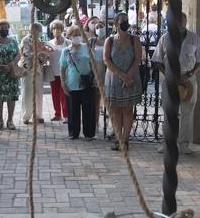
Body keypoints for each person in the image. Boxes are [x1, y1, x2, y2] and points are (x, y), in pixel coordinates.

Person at [152, 12, 200, 155]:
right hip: (170, 80)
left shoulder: (194, 39)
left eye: (181, 21)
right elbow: (157, 60)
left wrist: (190, 74)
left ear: (186, 22)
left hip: (188, 80)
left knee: (187, 112)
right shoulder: (165, 38)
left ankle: (184, 144)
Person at [103, 12, 141, 150]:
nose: (125, 23)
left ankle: (125, 140)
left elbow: (138, 58)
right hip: (114, 78)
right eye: (122, 21)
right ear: (115, 24)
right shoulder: (110, 40)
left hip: (130, 79)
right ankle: (118, 138)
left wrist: (128, 75)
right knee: (115, 110)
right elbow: (106, 59)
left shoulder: (134, 40)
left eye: (126, 21)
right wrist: (121, 75)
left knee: (127, 109)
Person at [60, 26, 97, 139]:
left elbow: (94, 65)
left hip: (87, 84)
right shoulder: (65, 51)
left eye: (78, 34)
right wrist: (63, 83)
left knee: (89, 110)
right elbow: (62, 68)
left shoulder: (87, 48)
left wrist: (96, 78)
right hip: (72, 85)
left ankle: (89, 133)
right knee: (72, 111)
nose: (76, 37)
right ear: (69, 36)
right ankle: (73, 133)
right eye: (74, 35)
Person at [20, 22, 52, 124]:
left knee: (39, 93)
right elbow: (26, 54)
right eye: (39, 31)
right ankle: (26, 116)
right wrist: (40, 53)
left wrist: (45, 56)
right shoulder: (26, 40)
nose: (40, 33)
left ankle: (38, 115)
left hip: (38, 69)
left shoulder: (39, 40)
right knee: (28, 93)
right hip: (28, 69)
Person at [0, 19, 20, 130]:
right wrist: (0, 66)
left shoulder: (13, 41)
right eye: (2, 28)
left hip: (11, 73)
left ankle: (10, 120)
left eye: (6, 28)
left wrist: (11, 64)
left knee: (11, 97)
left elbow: (18, 54)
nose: (4, 30)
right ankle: (0, 120)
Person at [48, 20, 69, 122]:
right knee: (54, 94)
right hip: (52, 72)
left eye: (58, 28)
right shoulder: (49, 43)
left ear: (62, 29)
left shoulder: (67, 42)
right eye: (54, 29)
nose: (56, 30)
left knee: (63, 94)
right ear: (52, 30)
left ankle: (66, 115)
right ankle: (57, 114)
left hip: (64, 73)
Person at [89, 20, 107, 129]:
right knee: (96, 98)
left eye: (101, 26)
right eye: (97, 27)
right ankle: (95, 123)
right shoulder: (92, 41)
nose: (99, 29)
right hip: (95, 71)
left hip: (107, 71)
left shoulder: (109, 40)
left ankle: (111, 125)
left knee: (108, 98)